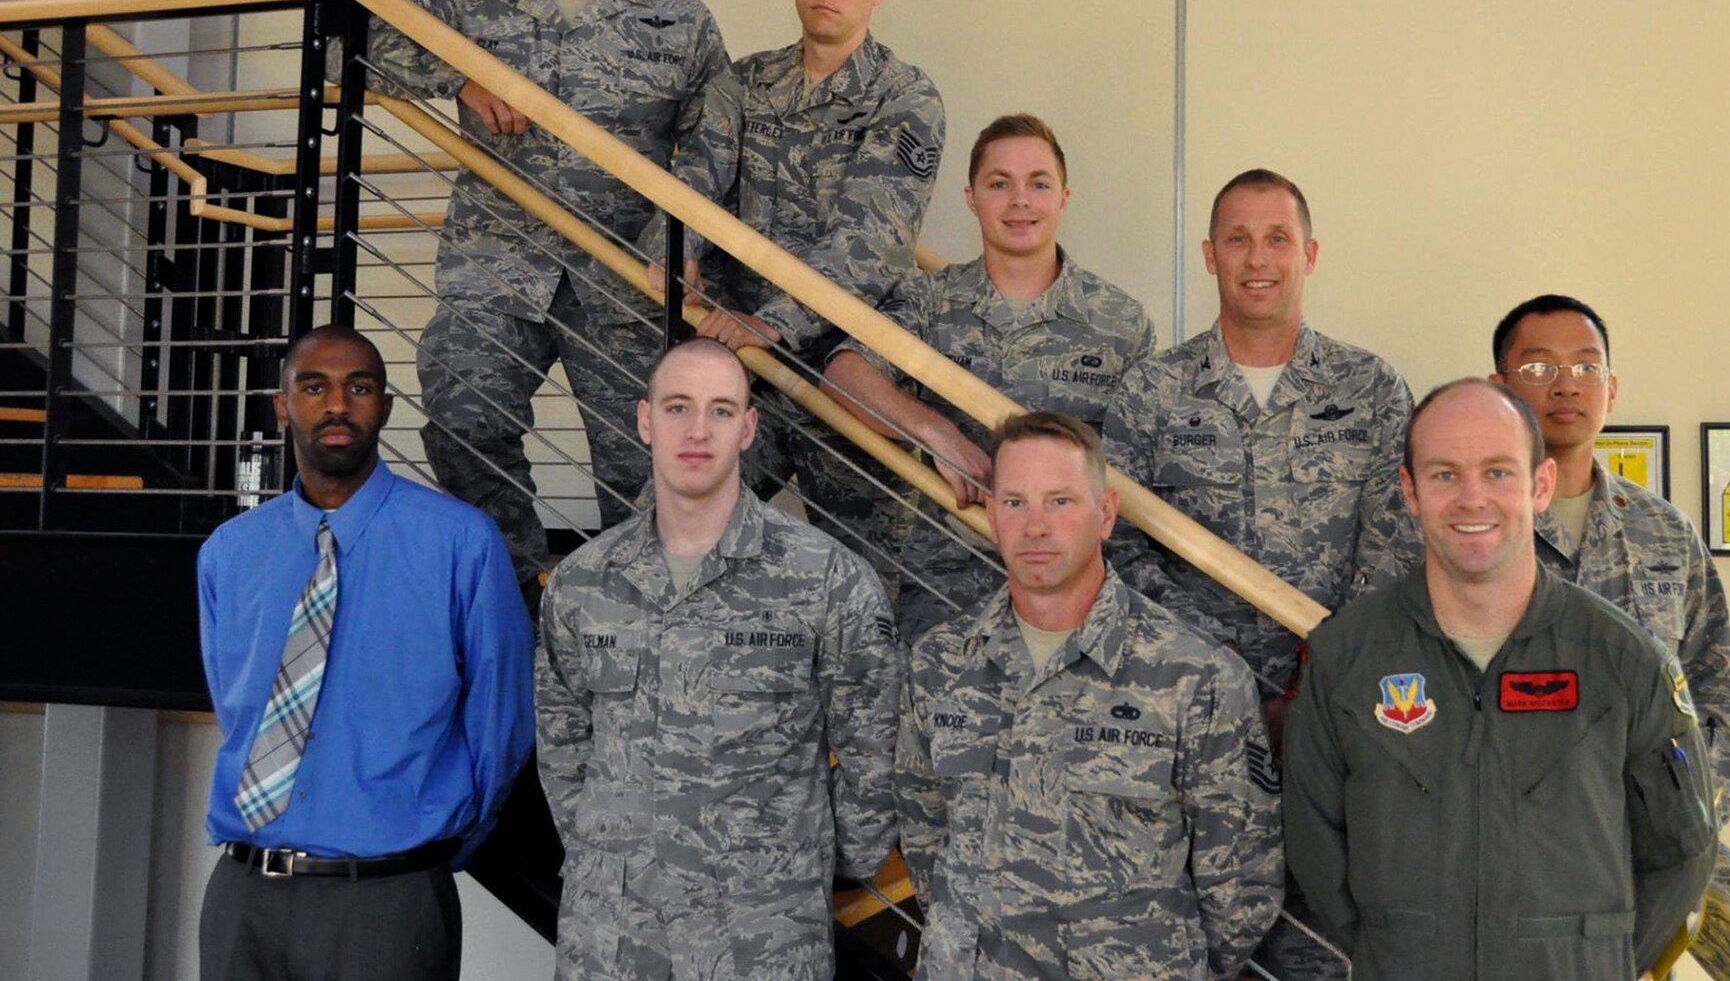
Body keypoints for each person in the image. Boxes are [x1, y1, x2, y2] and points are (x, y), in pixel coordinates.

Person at [365, 0, 730, 609]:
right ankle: (518, 592)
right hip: (498, 265)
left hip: (627, 277)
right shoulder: (467, 1)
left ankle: (627, 617)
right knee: (461, 412)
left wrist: (681, 247)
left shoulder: (677, 17)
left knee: (643, 467)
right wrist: (453, 71)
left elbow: (715, 143)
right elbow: (345, 38)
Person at [1284, 379, 1718, 980]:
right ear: (1410, 493)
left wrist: (1594, 962)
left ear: (1540, 486)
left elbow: (1684, 849)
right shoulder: (1346, 658)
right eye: (1444, 476)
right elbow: (1315, 845)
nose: (1471, 499)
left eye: (1497, 473)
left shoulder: (1623, 661)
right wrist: (1403, 953)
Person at [536, 337, 902, 981]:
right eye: (677, 408)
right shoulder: (582, 583)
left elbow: (876, 750)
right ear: (644, 420)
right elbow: (563, 745)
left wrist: (807, 864)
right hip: (614, 938)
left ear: (749, 428)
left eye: (721, 410)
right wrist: (614, 853)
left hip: (763, 935)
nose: (697, 431)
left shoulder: (827, 580)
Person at [197, 326, 534, 981]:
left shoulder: (461, 543)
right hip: (243, 897)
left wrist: (427, 846)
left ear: (384, 406)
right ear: (282, 405)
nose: (337, 405)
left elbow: (502, 723)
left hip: (389, 901)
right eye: (314, 386)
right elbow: (234, 703)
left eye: (359, 387)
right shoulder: (228, 553)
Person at [895, 411, 1283, 980]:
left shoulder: (1196, 676)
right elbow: (924, 833)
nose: (1034, 527)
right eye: (1014, 503)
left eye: (1059, 501)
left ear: (1105, 515)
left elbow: (1242, 887)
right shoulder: (941, 662)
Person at [1491, 295, 1730, 981]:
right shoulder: (1472, 528)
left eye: (1586, 366)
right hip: (1521, 863)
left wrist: (1693, 813)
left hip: (1661, 833)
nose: (1566, 384)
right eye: (1540, 366)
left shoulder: (1663, 532)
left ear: (1612, 388)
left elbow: (1715, 685)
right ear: (1500, 389)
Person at [667, 0, 946, 568]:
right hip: (740, 357)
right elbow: (693, 185)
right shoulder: (743, 82)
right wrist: (671, 256)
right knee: (690, 545)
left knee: (865, 577)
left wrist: (774, 323)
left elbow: (867, 247)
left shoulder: (906, 97)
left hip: (847, 367)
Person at [822, 113, 1155, 638]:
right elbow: (844, 372)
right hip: (949, 579)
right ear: (972, 198)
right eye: (1000, 184)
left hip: (1077, 585)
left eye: (1038, 184)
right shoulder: (930, 300)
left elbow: (1140, 469)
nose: (1020, 200)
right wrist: (936, 432)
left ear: (1063, 198)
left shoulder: (1119, 322)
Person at [1101, 169, 1419, 703]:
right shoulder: (1151, 391)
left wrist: (1331, 650)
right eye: (1237, 240)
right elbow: (1119, 540)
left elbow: (1401, 535)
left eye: (1278, 239)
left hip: (1346, 684)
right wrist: (1209, 655)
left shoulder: (1370, 387)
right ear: (1210, 255)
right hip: (1187, 689)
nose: (1257, 260)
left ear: (1310, 255)